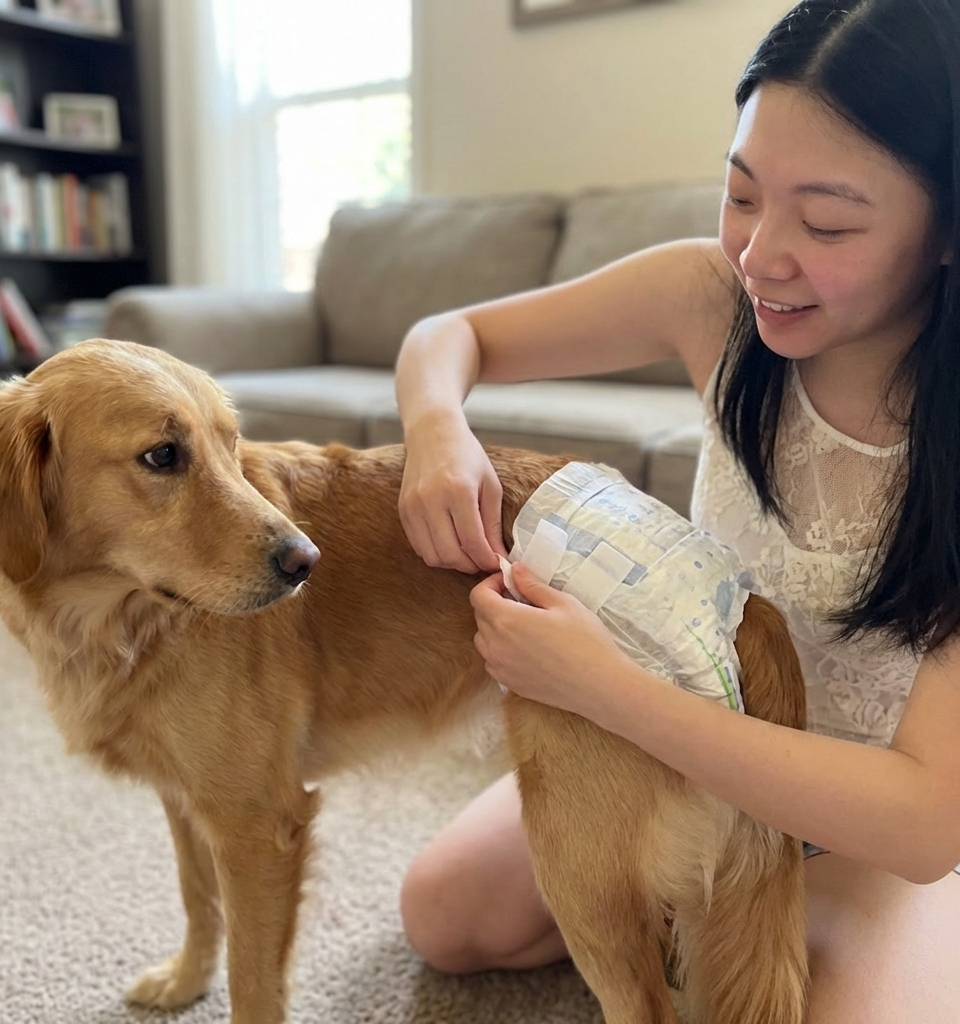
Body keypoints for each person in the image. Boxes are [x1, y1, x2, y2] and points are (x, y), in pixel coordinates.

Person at [392, 1, 960, 1020]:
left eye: (826, 222)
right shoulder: (711, 300)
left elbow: (925, 822)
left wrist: (602, 690)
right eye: (741, 194)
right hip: (687, 732)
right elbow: (450, 332)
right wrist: (436, 427)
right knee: (446, 914)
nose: (759, 255)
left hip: (869, 817)